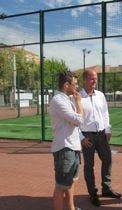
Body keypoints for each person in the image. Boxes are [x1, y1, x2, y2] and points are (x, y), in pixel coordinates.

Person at [80, 69, 122, 207]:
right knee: (89, 166)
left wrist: (108, 129)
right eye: (92, 78)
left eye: (96, 78)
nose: (94, 81)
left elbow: (105, 113)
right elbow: (74, 120)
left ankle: (106, 188)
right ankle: (92, 193)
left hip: (102, 134)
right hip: (87, 136)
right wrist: (81, 137)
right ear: (85, 79)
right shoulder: (78, 97)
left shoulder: (100, 95)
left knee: (107, 159)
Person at [49, 71, 84, 210]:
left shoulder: (68, 99)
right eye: (75, 84)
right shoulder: (58, 100)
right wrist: (79, 103)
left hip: (73, 147)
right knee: (61, 186)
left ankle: (71, 208)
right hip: (64, 148)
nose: (77, 87)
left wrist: (76, 102)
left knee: (71, 182)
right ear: (66, 85)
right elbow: (78, 120)